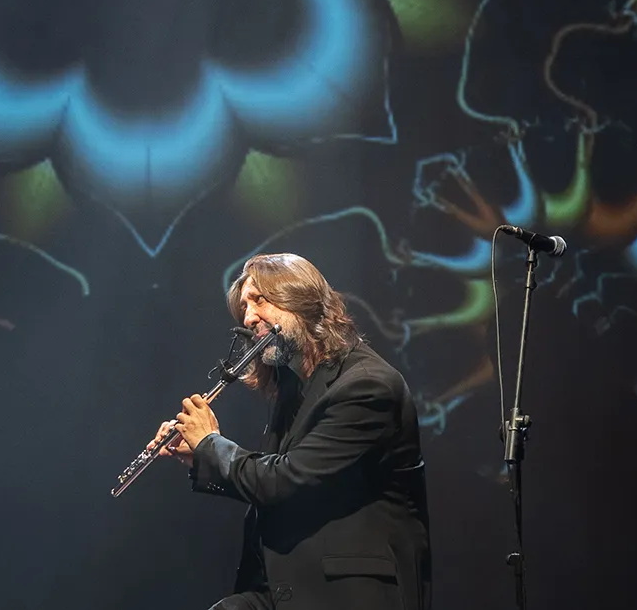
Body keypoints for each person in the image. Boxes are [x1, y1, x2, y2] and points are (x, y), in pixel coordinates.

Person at [155, 253, 431, 610]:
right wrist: (200, 456)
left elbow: (283, 481)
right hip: (287, 588)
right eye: (244, 308)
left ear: (301, 299)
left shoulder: (366, 386)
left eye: (259, 300)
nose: (249, 318)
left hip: (348, 593)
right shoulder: (295, 389)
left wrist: (211, 443)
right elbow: (277, 486)